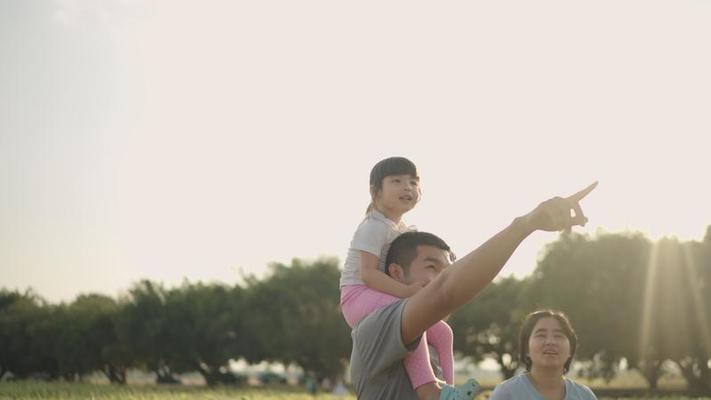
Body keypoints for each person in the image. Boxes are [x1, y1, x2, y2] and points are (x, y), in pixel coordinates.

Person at [349, 181, 598, 399]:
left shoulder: (434, 335)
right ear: (396, 273)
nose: (443, 276)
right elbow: (444, 292)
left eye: (448, 269)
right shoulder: (377, 327)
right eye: (432, 267)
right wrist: (523, 226)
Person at [339, 156, 470, 400]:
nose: (407, 187)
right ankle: (429, 389)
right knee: (411, 317)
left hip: (385, 296)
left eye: (413, 182)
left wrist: (446, 253)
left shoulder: (403, 229)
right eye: (396, 181)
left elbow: (421, 247)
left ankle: (448, 390)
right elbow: (367, 274)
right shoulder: (373, 226)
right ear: (375, 190)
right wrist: (408, 295)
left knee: (442, 331)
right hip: (357, 296)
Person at [489, 310, 598, 400]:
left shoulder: (585, 396)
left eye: (558, 335)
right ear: (526, 348)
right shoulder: (507, 393)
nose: (550, 341)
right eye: (541, 335)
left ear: (570, 349)